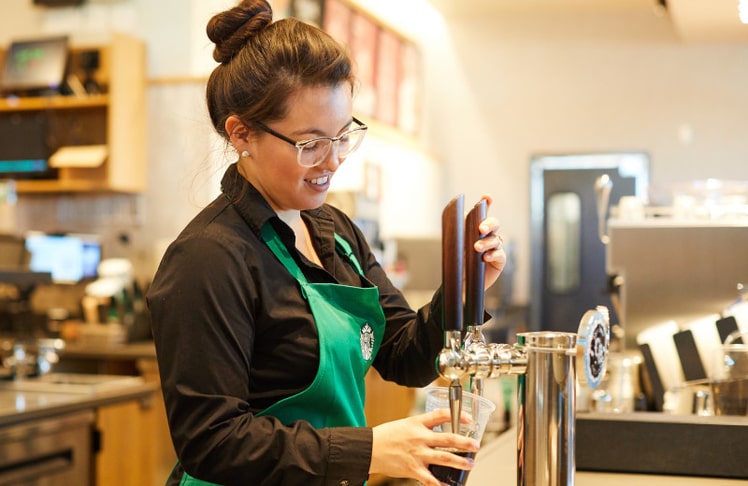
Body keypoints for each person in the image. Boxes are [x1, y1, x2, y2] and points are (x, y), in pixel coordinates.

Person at [146, 1, 507, 485]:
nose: (333, 161)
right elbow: (211, 442)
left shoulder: (335, 231)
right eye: (310, 143)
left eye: (343, 136)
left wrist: (466, 288)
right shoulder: (209, 258)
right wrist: (369, 449)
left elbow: (405, 354)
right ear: (242, 134)